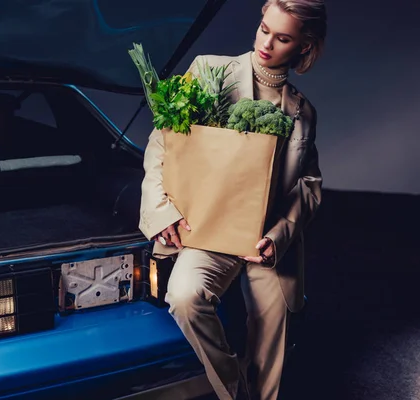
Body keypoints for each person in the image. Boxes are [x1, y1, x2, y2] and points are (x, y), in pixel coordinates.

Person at [138, 1, 327, 399]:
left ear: (304, 46)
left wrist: (279, 236)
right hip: (210, 228)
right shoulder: (210, 69)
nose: (266, 43)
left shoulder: (303, 112)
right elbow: (163, 143)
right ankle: (235, 392)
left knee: (272, 346)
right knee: (185, 296)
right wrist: (161, 211)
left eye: (283, 37)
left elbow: (308, 185)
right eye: (264, 29)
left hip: (267, 241)